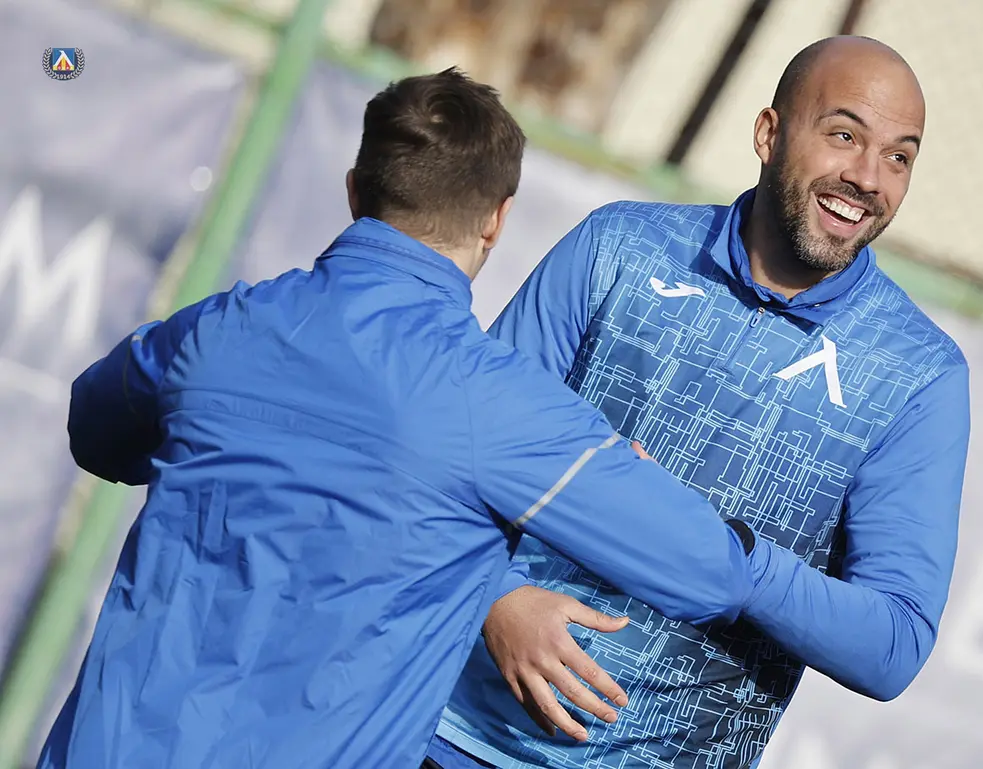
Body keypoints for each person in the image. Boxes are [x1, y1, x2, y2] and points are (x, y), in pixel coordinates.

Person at [35, 68, 769, 769]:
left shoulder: (218, 329)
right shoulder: (501, 403)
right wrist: (651, 492)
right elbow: (709, 572)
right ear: (497, 221)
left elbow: (92, 426)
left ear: (355, 189)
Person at [425, 36, 971, 769]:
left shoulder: (919, 375)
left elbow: (892, 644)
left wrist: (733, 559)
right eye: (844, 136)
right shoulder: (619, 247)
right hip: (448, 730)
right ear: (769, 134)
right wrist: (495, 598)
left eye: (899, 157)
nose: (868, 177)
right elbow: (449, 456)